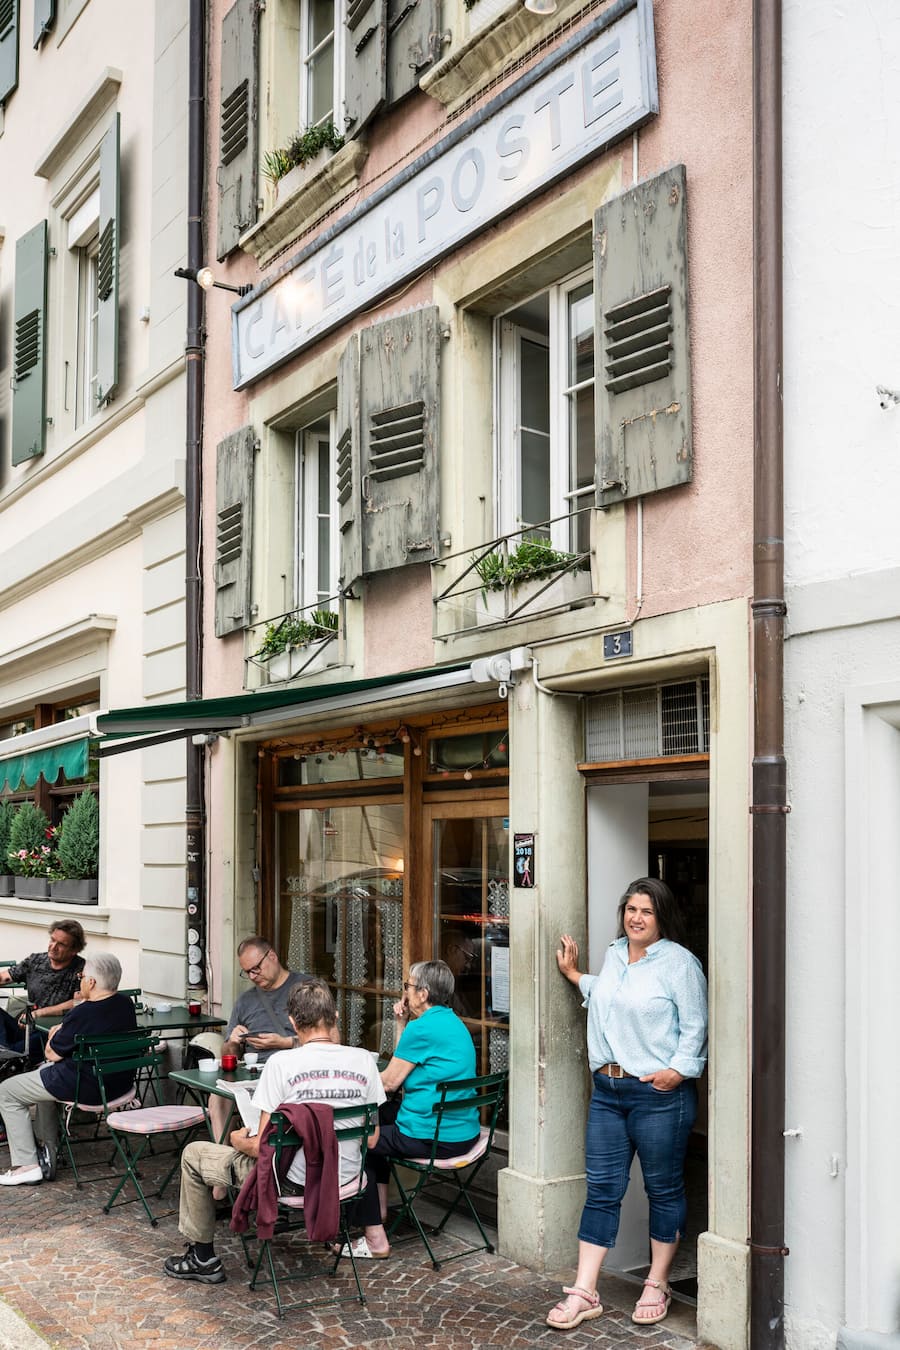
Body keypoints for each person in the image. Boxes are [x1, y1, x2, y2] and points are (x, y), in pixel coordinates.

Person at [546, 877, 708, 1331]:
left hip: (658, 1096)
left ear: (661, 917)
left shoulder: (679, 963)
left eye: (646, 911)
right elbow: (612, 996)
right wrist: (575, 975)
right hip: (607, 1093)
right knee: (601, 1189)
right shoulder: (616, 954)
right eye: (631, 909)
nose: (636, 918)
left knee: (663, 1188)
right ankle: (584, 1291)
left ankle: (657, 1282)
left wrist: (678, 1070)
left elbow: (696, 1025)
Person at [163, 977, 384, 1285]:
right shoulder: (364, 1061)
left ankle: (202, 1259)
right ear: (334, 1017)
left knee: (193, 1154)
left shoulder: (281, 1064)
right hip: (346, 1180)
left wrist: (236, 1140)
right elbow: (371, 1139)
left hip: (291, 1184)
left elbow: (262, 1148)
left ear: (293, 1022)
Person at [346, 959, 480, 1260]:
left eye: (408, 985)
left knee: (360, 1136)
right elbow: (405, 1062)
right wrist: (401, 1024)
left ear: (423, 993)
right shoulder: (452, 1021)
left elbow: (390, 1082)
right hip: (462, 1130)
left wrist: (351, 1079)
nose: (404, 991)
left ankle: (375, 1237)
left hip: (435, 1136)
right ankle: (379, 1208)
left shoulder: (422, 1029)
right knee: (380, 1116)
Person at [0, 952, 137, 1186]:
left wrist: (55, 1033)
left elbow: (51, 1054)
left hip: (83, 1085)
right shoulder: (126, 1005)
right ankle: (47, 1152)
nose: (80, 981)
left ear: (91, 982)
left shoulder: (83, 1012)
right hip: (118, 1085)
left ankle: (27, 1165)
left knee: (7, 1091)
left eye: (81, 977)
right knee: (41, 1078)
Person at [206, 936, 310, 1143]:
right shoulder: (245, 1001)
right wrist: (233, 1042)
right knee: (217, 1096)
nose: (253, 976)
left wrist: (284, 1043)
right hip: (254, 1074)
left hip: (298, 1073)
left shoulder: (307, 989)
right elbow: (228, 1055)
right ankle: (224, 1158)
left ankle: (261, 1150)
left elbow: (329, 1040)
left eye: (256, 968)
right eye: (247, 972)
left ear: (272, 956)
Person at [0, 919, 86, 1057]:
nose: (53, 946)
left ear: (74, 950)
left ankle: (8, 1054)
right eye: (52, 940)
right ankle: (6, 1053)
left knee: (17, 1050)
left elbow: (78, 1002)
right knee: (12, 1049)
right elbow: (5, 977)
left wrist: (40, 1013)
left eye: (61, 944)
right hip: (26, 1026)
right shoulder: (35, 961)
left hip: (53, 1032)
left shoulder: (81, 969)